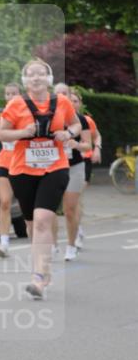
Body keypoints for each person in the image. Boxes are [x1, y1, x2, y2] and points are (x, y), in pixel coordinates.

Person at [0, 60, 81, 299]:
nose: (36, 78)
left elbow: (75, 124)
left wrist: (68, 133)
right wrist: (23, 133)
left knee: (43, 219)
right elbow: (2, 133)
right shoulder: (16, 104)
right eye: (31, 74)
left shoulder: (62, 102)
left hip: (55, 167)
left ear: (48, 78)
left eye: (40, 73)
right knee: (32, 226)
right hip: (22, 169)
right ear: (25, 80)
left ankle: (38, 277)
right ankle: (45, 270)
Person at [53, 85, 92, 260]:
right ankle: (53, 245)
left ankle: (71, 245)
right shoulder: (48, 116)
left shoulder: (80, 120)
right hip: (52, 166)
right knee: (50, 209)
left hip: (74, 166)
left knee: (69, 209)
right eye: (58, 93)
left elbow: (87, 145)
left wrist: (76, 145)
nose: (61, 96)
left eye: (64, 93)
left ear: (69, 97)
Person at [0, 82, 21, 258]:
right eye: (7, 94)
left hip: (22, 163)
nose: (10, 97)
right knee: (4, 202)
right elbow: (1, 140)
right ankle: (4, 243)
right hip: (5, 162)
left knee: (27, 204)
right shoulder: (0, 116)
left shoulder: (25, 115)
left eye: (14, 94)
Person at [75, 92, 102, 249]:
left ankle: (78, 231)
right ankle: (77, 229)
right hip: (65, 163)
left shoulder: (86, 120)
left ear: (80, 103)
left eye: (75, 101)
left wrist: (97, 148)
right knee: (71, 201)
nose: (72, 103)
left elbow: (97, 136)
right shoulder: (58, 119)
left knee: (76, 197)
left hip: (84, 160)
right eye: (69, 100)